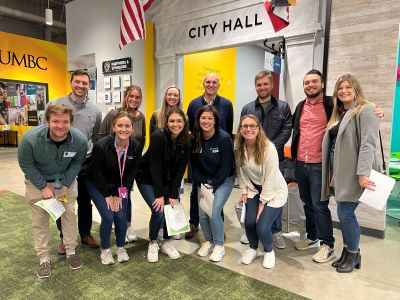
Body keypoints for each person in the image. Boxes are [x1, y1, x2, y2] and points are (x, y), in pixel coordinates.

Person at [291, 69, 384, 263]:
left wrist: (376, 110)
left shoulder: (329, 103)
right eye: (307, 82)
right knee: (307, 203)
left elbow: (363, 126)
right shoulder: (304, 106)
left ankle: (328, 244)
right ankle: (312, 237)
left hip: (320, 165)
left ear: (322, 85)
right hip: (302, 162)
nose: (310, 85)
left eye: (314, 82)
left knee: (320, 205)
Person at [17, 104, 88, 278]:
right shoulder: (30, 139)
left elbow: (77, 163)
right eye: (55, 121)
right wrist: (42, 186)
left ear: (71, 122)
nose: (60, 126)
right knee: (40, 220)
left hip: (64, 182)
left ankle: (70, 251)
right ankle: (43, 258)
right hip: (37, 181)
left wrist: (64, 184)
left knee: (69, 215)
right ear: (47, 121)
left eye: (65, 121)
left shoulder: (79, 140)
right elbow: (26, 164)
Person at [321, 74, 380, 273]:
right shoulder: (341, 113)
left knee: (345, 214)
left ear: (356, 89)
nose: (344, 91)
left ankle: (354, 253)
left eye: (348, 87)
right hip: (340, 173)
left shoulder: (366, 110)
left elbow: (368, 144)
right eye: (340, 88)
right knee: (343, 212)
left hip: (355, 174)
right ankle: (348, 253)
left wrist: (363, 174)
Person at [50, 69, 102, 252]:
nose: (81, 86)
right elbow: (45, 132)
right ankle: (64, 237)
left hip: (85, 163)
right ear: (71, 82)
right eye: (77, 82)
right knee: (60, 200)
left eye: (85, 83)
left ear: (89, 86)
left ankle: (85, 234)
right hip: (60, 165)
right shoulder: (55, 104)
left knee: (85, 201)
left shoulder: (95, 110)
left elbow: (94, 137)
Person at [240, 70, 292, 248]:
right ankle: (252, 229)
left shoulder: (283, 107)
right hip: (252, 162)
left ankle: (275, 230)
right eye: (259, 84)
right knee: (254, 191)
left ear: (272, 85)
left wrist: (269, 148)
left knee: (274, 193)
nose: (262, 87)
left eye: (265, 84)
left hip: (275, 159)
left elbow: (287, 129)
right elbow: (244, 131)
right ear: (255, 86)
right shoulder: (248, 108)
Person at [136, 107, 192, 263]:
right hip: (147, 178)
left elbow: (181, 169)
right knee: (159, 210)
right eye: (172, 121)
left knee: (170, 208)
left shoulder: (188, 140)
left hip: (167, 180)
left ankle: (166, 241)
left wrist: (174, 194)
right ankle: (153, 242)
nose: (175, 124)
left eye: (179, 121)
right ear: (166, 122)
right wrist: (159, 194)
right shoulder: (158, 136)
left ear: (184, 123)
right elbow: (155, 167)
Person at [86, 112, 142, 265]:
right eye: (120, 125)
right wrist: (107, 195)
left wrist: (119, 194)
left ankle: (120, 247)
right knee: (109, 216)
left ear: (132, 129)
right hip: (98, 184)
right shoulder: (101, 145)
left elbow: (130, 174)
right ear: (113, 128)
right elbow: (97, 173)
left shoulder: (136, 147)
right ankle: (105, 249)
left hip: (120, 185)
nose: (123, 129)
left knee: (121, 216)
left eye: (127, 126)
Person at [235, 114, 288, 269]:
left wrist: (262, 203)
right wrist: (244, 190)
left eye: (252, 126)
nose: (248, 129)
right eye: (245, 126)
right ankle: (252, 249)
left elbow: (271, 179)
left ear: (258, 129)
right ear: (240, 129)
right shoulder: (238, 147)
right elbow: (240, 172)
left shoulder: (268, 148)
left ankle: (269, 251)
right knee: (249, 222)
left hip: (274, 192)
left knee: (262, 226)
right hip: (254, 189)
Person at [186, 73, 234, 239]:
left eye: (214, 82)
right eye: (208, 82)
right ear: (203, 84)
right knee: (196, 193)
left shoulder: (226, 104)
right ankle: (193, 224)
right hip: (200, 152)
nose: (211, 85)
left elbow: (228, 127)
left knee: (216, 194)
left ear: (219, 85)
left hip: (219, 155)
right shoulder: (193, 104)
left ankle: (217, 225)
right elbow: (190, 128)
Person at [98, 85, 146, 243]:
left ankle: (128, 225)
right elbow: (101, 134)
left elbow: (142, 139)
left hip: (130, 164)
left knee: (126, 195)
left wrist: (136, 161)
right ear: (125, 96)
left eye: (137, 97)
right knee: (113, 195)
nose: (133, 99)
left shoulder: (141, 117)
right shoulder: (114, 114)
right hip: (111, 164)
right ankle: (119, 224)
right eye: (131, 96)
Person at [191, 105, 235, 262]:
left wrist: (213, 185)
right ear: (198, 120)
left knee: (215, 211)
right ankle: (208, 241)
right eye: (203, 118)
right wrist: (201, 183)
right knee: (203, 212)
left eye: (210, 118)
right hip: (205, 180)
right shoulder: (196, 137)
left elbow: (226, 166)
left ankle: (219, 245)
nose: (206, 121)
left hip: (223, 180)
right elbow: (194, 165)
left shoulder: (223, 138)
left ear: (215, 121)